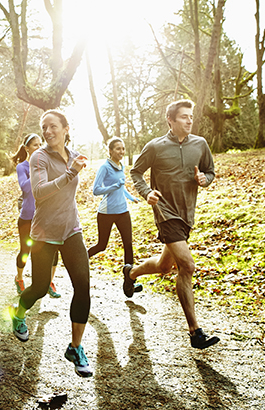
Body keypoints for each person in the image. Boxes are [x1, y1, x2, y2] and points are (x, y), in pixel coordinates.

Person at [124, 99, 220, 350]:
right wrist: (147, 193)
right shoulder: (155, 147)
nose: (190, 120)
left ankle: (131, 273)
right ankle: (194, 331)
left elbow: (210, 171)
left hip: (187, 214)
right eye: (184, 117)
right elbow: (136, 172)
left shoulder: (200, 144)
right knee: (186, 265)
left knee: (164, 266)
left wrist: (204, 179)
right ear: (170, 120)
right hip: (165, 212)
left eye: (191, 116)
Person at [10, 110, 94, 378]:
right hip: (44, 233)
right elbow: (39, 192)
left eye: (53, 126)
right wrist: (70, 173)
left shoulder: (74, 154)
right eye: (43, 127)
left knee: (83, 286)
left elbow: (69, 190)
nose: (47, 131)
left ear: (66, 129)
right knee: (40, 287)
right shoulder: (38, 157)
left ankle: (75, 347)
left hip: (71, 229)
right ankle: (19, 312)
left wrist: (73, 169)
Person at [87, 137, 142, 295]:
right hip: (106, 213)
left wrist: (131, 197)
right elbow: (96, 190)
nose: (121, 152)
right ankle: (80, 262)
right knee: (102, 245)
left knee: (128, 245)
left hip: (123, 211)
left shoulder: (121, 165)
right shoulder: (105, 167)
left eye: (123, 148)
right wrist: (113, 187)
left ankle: (129, 283)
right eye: (118, 149)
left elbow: (121, 187)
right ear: (110, 151)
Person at [11, 133, 61, 299]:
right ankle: (19, 278)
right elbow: (25, 188)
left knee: (53, 252)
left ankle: (49, 283)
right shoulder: (22, 167)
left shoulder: (47, 165)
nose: (39, 148)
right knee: (26, 250)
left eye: (41, 144)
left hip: (46, 216)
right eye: (34, 145)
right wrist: (36, 169)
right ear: (27, 148)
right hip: (27, 216)